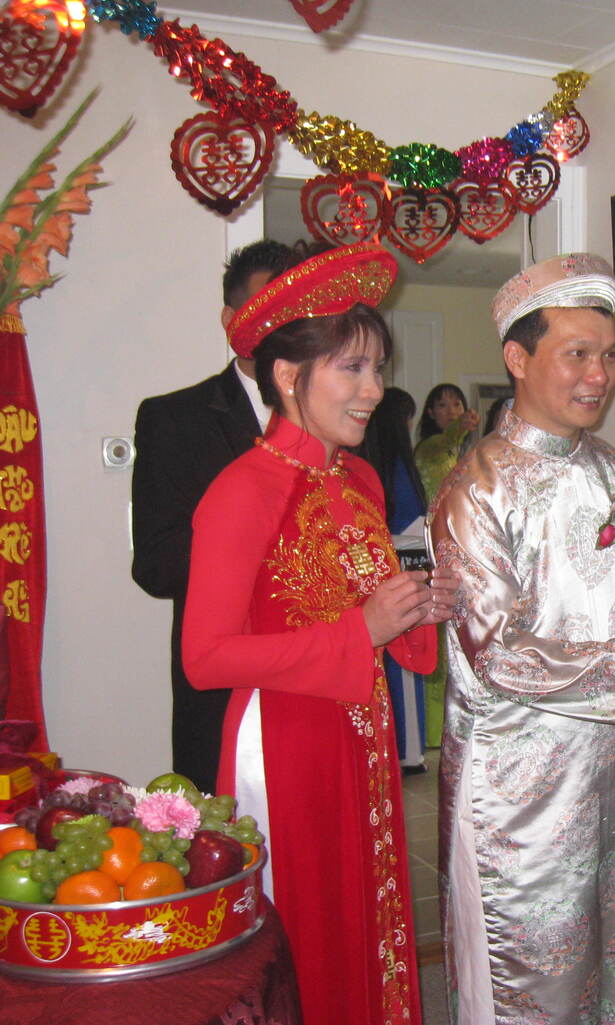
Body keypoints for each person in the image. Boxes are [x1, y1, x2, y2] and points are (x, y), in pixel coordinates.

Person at [182, 243, 458, 1025]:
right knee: (307, 938)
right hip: (286, 747)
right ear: (286, 375)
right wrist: (359, 628)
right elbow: (204, 657)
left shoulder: (359, 480)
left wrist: (416, 607)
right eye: (352, 368)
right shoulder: (240, 491)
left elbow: (373, 616)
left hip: (360, 736)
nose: (374, 389)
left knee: (367, 921)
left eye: (378, 368)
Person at [429, 253, 615, 1025]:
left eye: (609, 355)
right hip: (519, 783)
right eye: (577, 353)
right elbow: (499, 654)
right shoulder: (476, 487)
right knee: (530, 982)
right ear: (518, 358)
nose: (599, 375)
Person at [131, 239, 294, 794]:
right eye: (267, 308)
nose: (284, 326)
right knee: (223, 836)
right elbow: (156, 564)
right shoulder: (175, 419)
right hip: (221, 685)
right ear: (231, 320)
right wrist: (268, 559)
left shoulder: (340, 421)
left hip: (316, 682)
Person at [358, 386, 428, 769]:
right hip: (401, 571)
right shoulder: (398, 464)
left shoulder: (360, 464)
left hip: (369, 578)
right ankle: (408, 751)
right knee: (404, 665)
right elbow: (413, 522)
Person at [414, 381, 482, 749]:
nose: (451, 411)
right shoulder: (430, 447)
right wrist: (462, 425)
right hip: (432, 551)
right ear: (430, 413)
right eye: (442, 405)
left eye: (456, 404)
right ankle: (434, 730)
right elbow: (446, 440)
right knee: (439, 641)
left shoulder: (462, 452)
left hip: (459, 549)